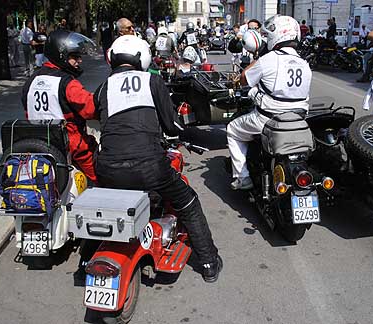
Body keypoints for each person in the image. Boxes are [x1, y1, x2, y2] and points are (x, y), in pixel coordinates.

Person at [93, 35, 222, 282]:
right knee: (188, 202)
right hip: (149, 165)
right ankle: (209, 262)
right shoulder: (152, 80)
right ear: (142, 57)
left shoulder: (102, 88)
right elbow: (172, 126)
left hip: (107, 168)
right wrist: (188, 130)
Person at [227, 15, 312, 190]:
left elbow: (244, 80)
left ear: (276, 35)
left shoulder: (268, 59)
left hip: (268, 120)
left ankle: (243, 178)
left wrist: (257, 61)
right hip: (298, 121)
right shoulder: (304, 63)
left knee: (233, 130)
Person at [21, 29, 98, 183]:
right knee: (102, 176)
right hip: (71, 144)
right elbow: (91, 109)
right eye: (74, 57)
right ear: (61, 55)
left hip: (37, 143)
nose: (79, 61)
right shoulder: (68, 83)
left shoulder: (31, 81)